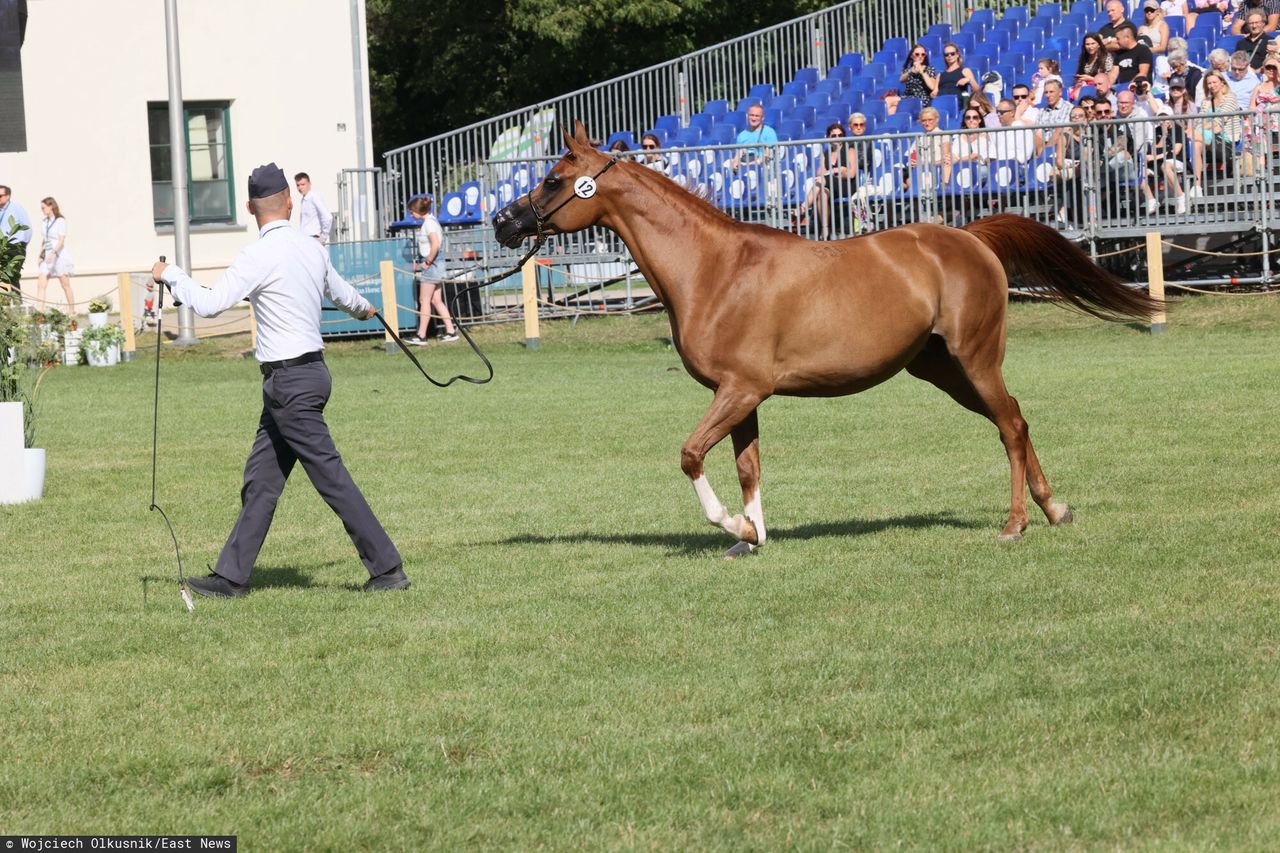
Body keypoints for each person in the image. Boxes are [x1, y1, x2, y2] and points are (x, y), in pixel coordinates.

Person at [152, 162, 408, 598]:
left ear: (250, 208)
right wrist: (368, 308)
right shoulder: (311, 248)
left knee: (331, 478)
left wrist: (170, 275)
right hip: (307, 377)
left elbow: (212, 305)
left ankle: (387, 568)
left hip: (288, 384)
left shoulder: (259, 255)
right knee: (262, 481)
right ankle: (231, 577)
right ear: (290, 200)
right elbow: (343, 294)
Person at [402, 195, 459, 345]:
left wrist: (427, 263)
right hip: (437, 264)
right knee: (436, 300)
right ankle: (451, 331)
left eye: (412, 211)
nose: (411, 214)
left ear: (418, 210)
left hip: (432, 264)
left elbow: (435, 245)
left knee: (424, 300)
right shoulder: (432, 221)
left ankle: (421, 335)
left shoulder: (428, 224)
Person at [795, 123, 853, 239]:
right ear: (829, 138)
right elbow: (819, 171)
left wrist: (837, 171)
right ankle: (826, 229)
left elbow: (851, 174)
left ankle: (803, 208)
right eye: (834, 136)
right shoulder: (826, 153)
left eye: (840, 135)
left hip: (845, 184)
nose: (837, 138)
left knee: (821, 180)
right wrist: (838, 170)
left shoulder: (850, 150)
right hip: (829, 185)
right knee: (822, 193)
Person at [1195, 69, 1243, 190]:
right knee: (1195, 144)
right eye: (1209, 83)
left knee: (1193, 136)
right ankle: (1197, 186)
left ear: (1222, 82)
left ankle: (1195, 184)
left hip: (1226, 141)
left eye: (1214, 82)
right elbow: (1198, 122)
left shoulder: (1230, 98)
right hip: (1207, 137)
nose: (1211, 86)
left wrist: (1207, 125)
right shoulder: (1206, 102)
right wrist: (1209, 126)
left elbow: (1219, 121)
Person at [1161, 75, 1198, 212]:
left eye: (1178, 88)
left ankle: (1180, 196)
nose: (1175, 90)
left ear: (1183, 90)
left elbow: (1192, 126)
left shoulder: (1190, 105)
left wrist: (1181, 135)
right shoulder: (1166, 105)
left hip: (1183, 140)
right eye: (1173, 88)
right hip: (1170, 140)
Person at [36, 197, 75, 313]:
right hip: (47, 253)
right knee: (41, 283)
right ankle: (40, 312)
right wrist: (40, 255)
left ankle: (72, 310)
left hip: (58, 254)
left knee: (65, 285)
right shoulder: (44, 222)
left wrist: (53, 252)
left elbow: (61, 240)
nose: (42, 210)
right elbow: (45, 239)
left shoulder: (60, 221)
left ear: (51, 206)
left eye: (43, 207)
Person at [730, 104, 777, 170]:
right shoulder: (742, 135)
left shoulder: (769, 132)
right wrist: (735, 163)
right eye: (751, 115)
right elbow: (738, 155)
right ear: (747, 116)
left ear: (762, 118)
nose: (753, 118)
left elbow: (768, 155)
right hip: (744, 164)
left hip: (763, 167)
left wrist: (749, 164)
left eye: (757, 116)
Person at [0, 186, 32, 284]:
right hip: (3, 248)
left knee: (11, 276)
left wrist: (22, 246)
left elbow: (27, 228)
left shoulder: (16, 208)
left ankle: (16, 299)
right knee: (4, 279)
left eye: (0, 195)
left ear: (8, 196)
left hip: (15, 247)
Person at [294, 172, 333, 245]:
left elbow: (328, 217)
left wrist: (323, 237)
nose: (300, 188)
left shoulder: (314, 197)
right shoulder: (304, 199)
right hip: (305, 240)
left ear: (309, 183)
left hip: (313, 239)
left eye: (303, 184)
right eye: (298, 185)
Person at [1073, 32, 1114, 100]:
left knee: (1077, 95)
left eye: (1093, 43)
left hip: (1100, 87)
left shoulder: (1106, 57)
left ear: (1098, 45)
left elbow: (1108, 79)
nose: (1090, 47)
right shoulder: (1084, 58)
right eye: (1087, 44)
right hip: (1085, 86)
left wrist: (1091, 79)